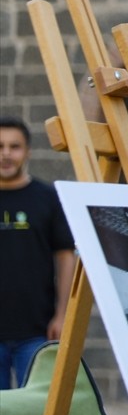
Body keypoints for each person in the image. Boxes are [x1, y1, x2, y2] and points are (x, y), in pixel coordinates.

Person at [0, 116, 75, 389]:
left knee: (34, 411)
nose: (6, 154)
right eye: (0, 146)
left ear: (28, 151)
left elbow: (66, 257)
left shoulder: (48, 198)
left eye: (14, 146)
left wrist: (62, 314)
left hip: (36, 330)